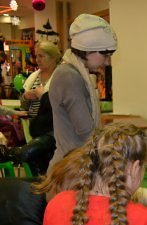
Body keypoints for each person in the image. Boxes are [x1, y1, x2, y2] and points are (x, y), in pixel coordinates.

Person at [48, 13, 117, 170]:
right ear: (88, 50)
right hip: (69, 171)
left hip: (74, 165)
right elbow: (86, 132)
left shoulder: (73, 72)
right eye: (105, 55)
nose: (107, 62)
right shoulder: (68, 76)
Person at [15, 41, 62, 175]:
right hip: (34, 127)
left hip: (52, 128)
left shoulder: (61, 77)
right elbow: (23, 105)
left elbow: (60, 104)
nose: (38, 60)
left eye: (42, 56)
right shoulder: (33, 77)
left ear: (53, 57)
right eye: (37, 56)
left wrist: (44, 96)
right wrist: (26, 97)